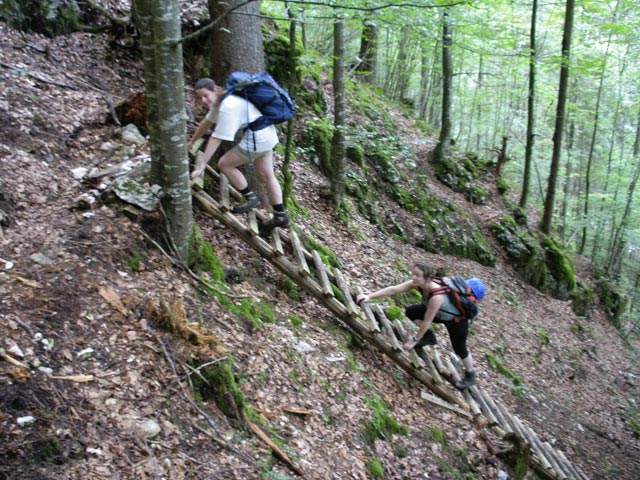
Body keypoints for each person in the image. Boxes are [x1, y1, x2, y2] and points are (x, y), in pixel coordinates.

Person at [356, 262, 477, 390]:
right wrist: (369, 296)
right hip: (440, 314)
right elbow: (394, 289)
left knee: (460, 349)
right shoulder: (417, 284)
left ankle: (470, 376)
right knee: (411, 311)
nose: (413, 277)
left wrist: (414, 340)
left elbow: (427, 321)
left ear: (427, 278)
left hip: (456, 321)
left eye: (417, 275)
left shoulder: (437, 296)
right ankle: (428, 337)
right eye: (413, 273)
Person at [187, 78, 289, 229]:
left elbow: (216, 139)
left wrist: (201, 166)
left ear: (215, 90)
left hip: (257, 139)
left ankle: (250, 197)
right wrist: (191, 142)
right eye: (199, 97)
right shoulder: (222, 101)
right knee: (267, 176)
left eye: (205, 95)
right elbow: (206, 123)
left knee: (224, 164)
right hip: (266, 134)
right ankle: (280, 215)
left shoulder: (228, 106)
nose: (203, 100)